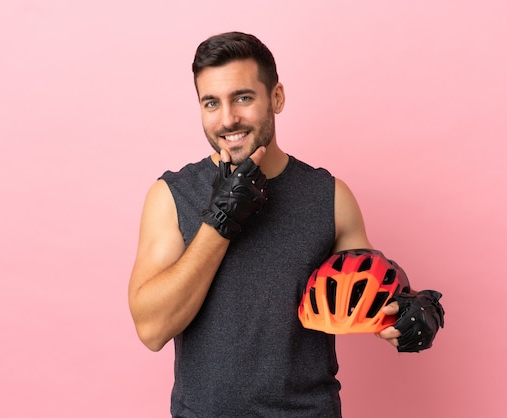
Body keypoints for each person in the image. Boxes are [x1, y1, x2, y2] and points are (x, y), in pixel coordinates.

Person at [128, 31, 444, 417]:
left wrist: (412, 312)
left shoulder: (329, 197)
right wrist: (220, 221)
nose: (228, 119)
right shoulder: (172, 196)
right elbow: (151, 329)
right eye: (212, 103)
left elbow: (362, 292)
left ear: (276, 97)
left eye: (243, 98)